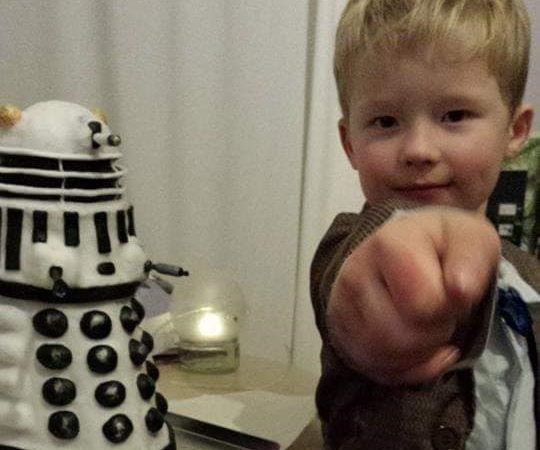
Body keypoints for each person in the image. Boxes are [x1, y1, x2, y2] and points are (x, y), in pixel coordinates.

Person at [310, 0, 540, 449]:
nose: (418, 149)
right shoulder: (347, 244)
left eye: (454, 116)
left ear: (514, 131)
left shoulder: (529, 275)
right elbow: (346, 278)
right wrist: (377, 282)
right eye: (385, 121)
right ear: (350, 142)